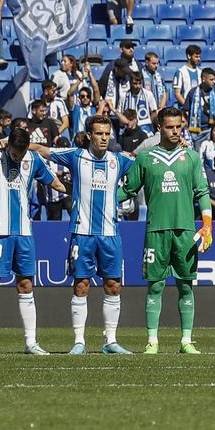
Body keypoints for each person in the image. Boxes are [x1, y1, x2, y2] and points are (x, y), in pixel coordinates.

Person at [117, 107, 213, 354]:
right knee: (155, 285)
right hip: (156, 230)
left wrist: (207, 224)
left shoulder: (191, 157)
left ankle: (186, 341)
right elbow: (127, 190)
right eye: (170, 127)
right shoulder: (145, 158)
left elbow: (202, 191)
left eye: (178, 127)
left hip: (185, 230)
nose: (175, 131)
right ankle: (152, 341)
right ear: (159, 127)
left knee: (186, 285)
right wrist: (100, 200)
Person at [0, 120, 59, 356]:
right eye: (14, 153)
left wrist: (77, 191)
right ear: (7, 145)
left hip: (24, 232)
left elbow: (54, 181)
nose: (17, 158)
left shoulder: (34, 160)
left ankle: (31, 342)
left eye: (21, 154)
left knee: (26, 284)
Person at [49, 114, 135, 355]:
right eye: (99, 133)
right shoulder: (76, 156)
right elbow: (42, 150)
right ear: (89, 135)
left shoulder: (119, 160)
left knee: (113, 285)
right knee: (81, 285)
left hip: (110, 234)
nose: (104, 138)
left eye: (107, 134)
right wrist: (8, 141)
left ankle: (111, 341)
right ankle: (79, 341)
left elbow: (145, 159)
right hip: (82, 233)